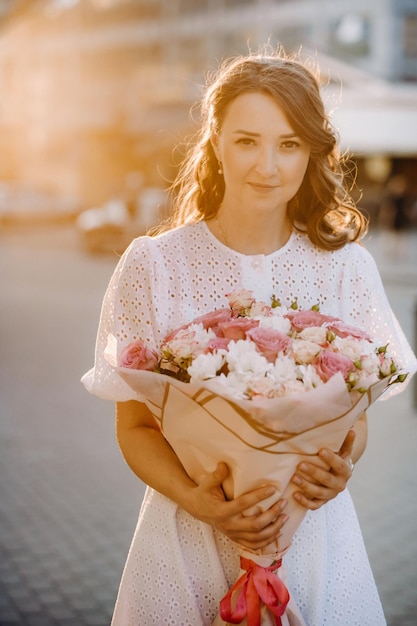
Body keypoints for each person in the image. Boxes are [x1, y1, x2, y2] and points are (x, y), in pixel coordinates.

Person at [82, 49, 417, 626]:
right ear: (214, 142)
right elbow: (135, 427)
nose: (268, 165)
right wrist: (198, 502)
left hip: (314, 532)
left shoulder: (346, 269)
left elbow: (352, 425)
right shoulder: (156, 264)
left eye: (288, 144)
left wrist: (342, 467)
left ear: (312, 151)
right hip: (186, 534)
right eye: (246, 141)